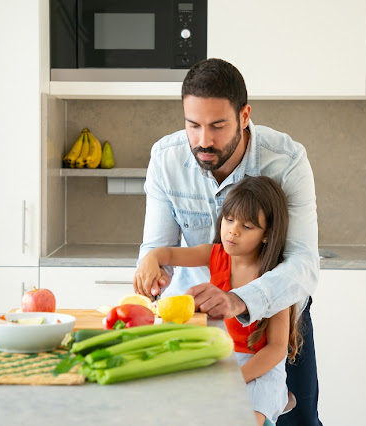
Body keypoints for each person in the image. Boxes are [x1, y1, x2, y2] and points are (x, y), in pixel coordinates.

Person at [135, 58, 321, 426]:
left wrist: (238, 299)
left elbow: (302, 264)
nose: (204, 140)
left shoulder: (286, 161)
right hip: (198, 321)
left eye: (218, 126)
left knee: (298, 420)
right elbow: (158, 248)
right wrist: (153, 272)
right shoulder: (165, 158)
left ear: (244, 115)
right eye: (193, 125)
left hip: (270, 315)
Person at [136, 176, 302, 425]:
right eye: (229, 219)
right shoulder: (215, 255)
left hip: (262, 369)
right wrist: (151, 259)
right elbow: (167, 253)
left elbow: (276, 349)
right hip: (226, 357)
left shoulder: (274, 279)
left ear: (267, 235)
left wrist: (235, 378)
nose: (233, 230)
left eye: (247, 227)